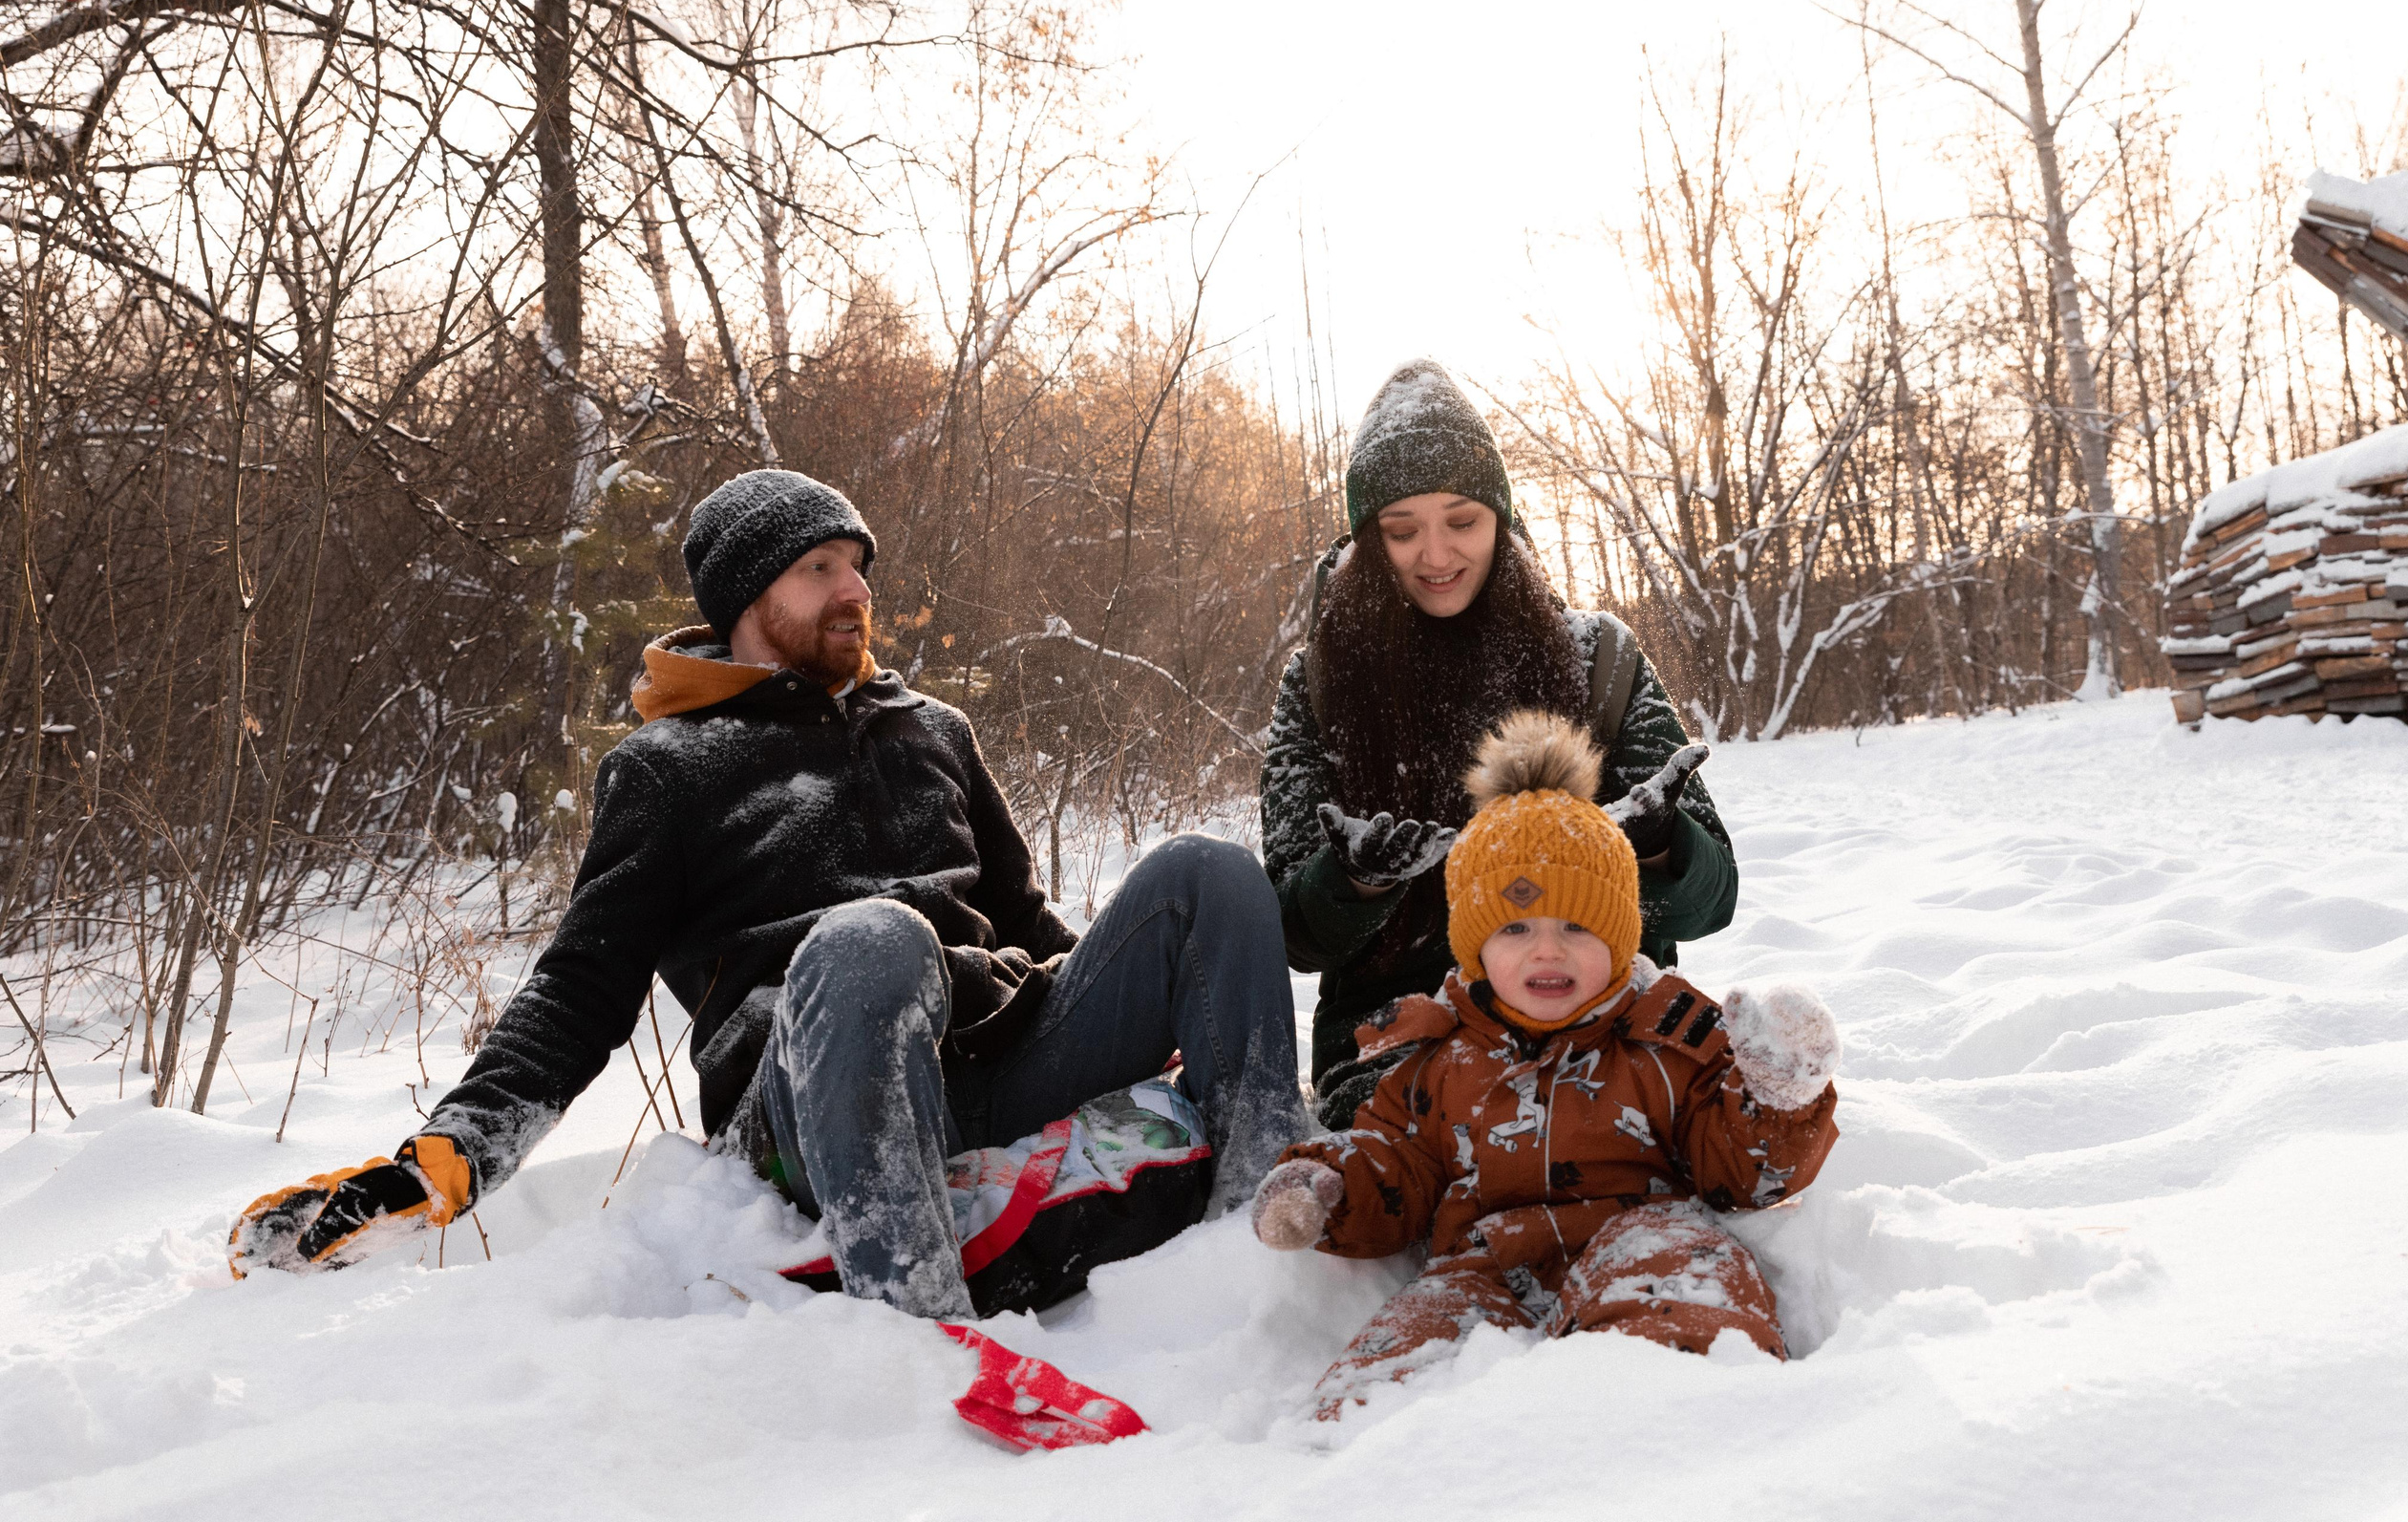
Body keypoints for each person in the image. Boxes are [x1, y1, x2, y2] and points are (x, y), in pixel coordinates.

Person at [229, 468, 1308, 1317]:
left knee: (1204, 872)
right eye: (820, 569)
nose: (856, 591)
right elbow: (580, 988)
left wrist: (1151, 1008)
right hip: (804, 1103)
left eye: (859, 566)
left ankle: (1262, 1234)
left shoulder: (932, 732)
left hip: (996, 1051)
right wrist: (448, 1159)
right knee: (869, 940)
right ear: (750, 599)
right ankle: (913, 1317)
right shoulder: (668, 769)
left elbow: (1032, 927)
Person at [1248, 711, 1840, 1418]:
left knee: (1688, 1295)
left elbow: (1737, 1168)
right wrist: (1329, 1189)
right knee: (1382, 1383)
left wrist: (1776, 1091)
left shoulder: (1663, 1031)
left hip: (1642, 1239)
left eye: (1578, 926)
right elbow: (1395, 1165)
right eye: (1516, 927)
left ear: (1621, 936)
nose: (1547, 950)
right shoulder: (1440, 1054)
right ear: (1474, 945)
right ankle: (1381, 1479)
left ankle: (1684, 1428)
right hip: (1482, 1268)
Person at [1262, 357, 1738, 1129]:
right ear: (1366, 538)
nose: (1437, 555)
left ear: (1502, 519)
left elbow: (1713, 900)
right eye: (1402, 529)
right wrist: (1353, 882)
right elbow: (1293, 930)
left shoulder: (1599, 660)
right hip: (1399, 1043)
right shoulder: (1318, 684)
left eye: (1462, 520)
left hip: (1596, 1019)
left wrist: (1657, 847)